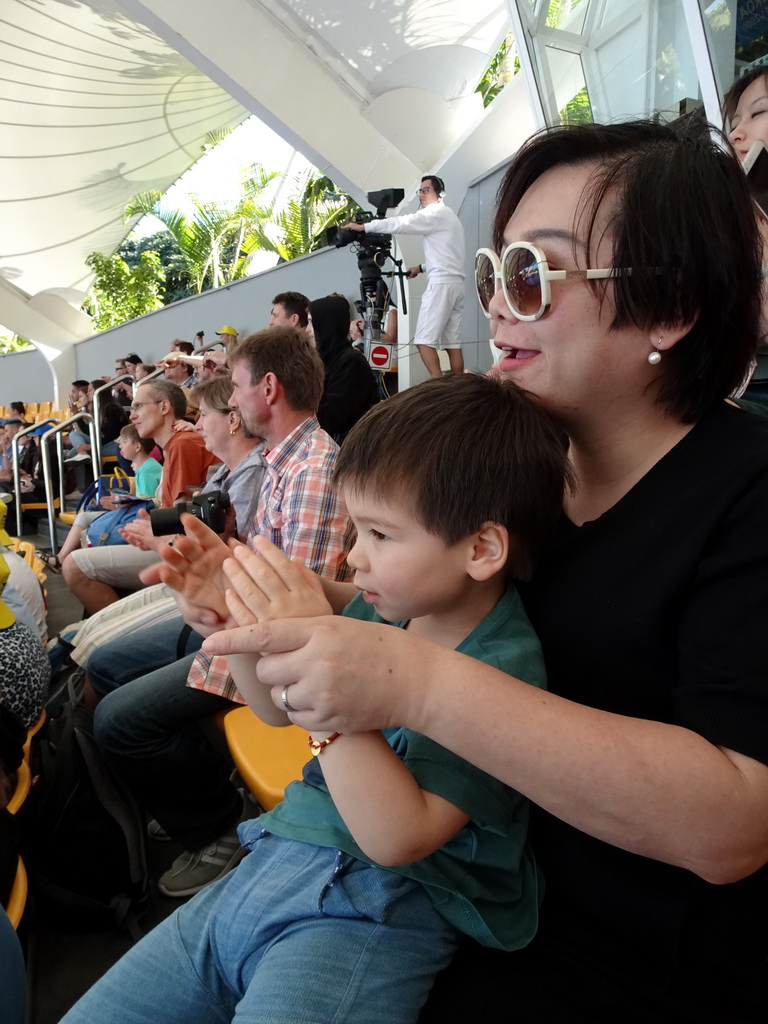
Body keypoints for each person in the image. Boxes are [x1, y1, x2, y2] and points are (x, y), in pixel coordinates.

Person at [204, 120, 768, 1023]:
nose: (498, 304)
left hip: (625, 960)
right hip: (456, 904)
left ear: (670, 308)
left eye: (533, 277)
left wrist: (415, 685)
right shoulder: (533, 465)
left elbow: (735, 822)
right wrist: (295, 605)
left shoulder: (745, 492)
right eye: (494, 273)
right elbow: (461, 617)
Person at [60, 372, 571, 1024]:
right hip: (272, 856)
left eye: (380, 535)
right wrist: (234, 624)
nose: (353, 558)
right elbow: (274, 710)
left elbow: (397, 835)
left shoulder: (503, 667)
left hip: (375, 909)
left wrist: (316, 667)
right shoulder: (396, 609)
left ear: (481, 548)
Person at [90, 327, 354, 898]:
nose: (228, 402)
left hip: (264, 656)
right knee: (106, 667)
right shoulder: (287, 462)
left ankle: (214, 827)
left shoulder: (311, 471)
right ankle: (196, 788)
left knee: (118, 721)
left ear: (268, 388)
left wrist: (214, 601)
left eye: (234, 387)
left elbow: (291, 618)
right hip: (239, 625)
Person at [62, 379, 218, 614]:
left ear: (164, 407)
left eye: (138, 407)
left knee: (74, 566)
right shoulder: (176, 444)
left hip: (187, 554)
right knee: (90, 537)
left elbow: (183, 518)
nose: (132, 416)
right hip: (177, 545)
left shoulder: (183, 443)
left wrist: (147, 530)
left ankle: (113, 634)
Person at [343, 175, 465, 378]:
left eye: (426, 190)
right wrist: (422, 267)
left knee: (423, 342)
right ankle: (461, 388)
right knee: (452, 344)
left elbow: (402, 223)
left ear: (440, 193)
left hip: (441, 285)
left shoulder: (434, 214)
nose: (421, 195)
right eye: (420, 191)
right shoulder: (450, 217)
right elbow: (449, 255)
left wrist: (365, 227)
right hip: (455, 284)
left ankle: (440, 388)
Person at [309, 294, 379, 442]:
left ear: (326, 325)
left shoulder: (351, 363)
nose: (307, 329)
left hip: (353, 453)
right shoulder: (326, 361)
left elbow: (330, 420)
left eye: (310, 322)